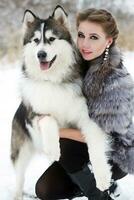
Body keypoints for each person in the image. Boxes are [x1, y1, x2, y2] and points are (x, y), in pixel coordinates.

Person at [35, 8, 134, 200]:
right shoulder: (71, 63)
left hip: (115, 153)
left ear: (108, 41)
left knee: (62, 142)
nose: (85, 44)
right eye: (81, 35)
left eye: (94, 37)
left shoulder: (116, 80)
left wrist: (56, 130)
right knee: (46, 189)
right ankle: (94, 182)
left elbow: (106, 135)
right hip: (80, 148)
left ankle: (99, 195)